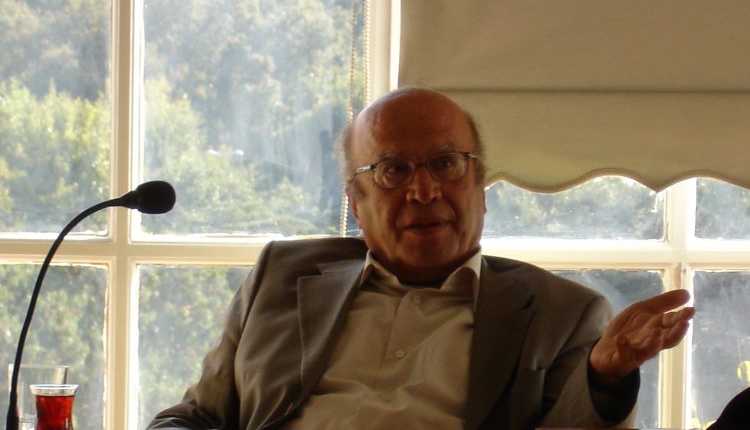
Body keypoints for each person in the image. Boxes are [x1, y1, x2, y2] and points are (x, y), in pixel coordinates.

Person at [148, 87, 695, 429]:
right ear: (356, 204)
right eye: (394, 170)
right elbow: (197, 416)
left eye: (447, 163)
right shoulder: (281, 275)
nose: (424, 190)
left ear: (480, 187)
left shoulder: (561, 313)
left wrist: (605, 377)